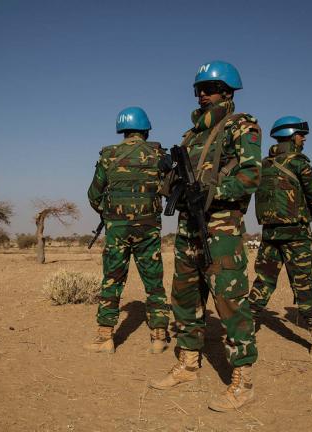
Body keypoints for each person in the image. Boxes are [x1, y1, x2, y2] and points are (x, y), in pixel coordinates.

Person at [149, 61, 261, 412]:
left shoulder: (242, 125)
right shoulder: (191, 135)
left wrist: (212, 193)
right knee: (184, 296)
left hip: (221, 226)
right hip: (187, 226)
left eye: (210, 89)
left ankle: (243, 380)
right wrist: (169, 177)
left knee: (229, 298)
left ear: (227, 92)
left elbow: (251, 175)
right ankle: (188, 364)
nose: (202, 95)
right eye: (199, 89)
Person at [85, 106, 170, 354]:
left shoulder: (108, 155)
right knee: (154, 281)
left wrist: (110, 214)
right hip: (149, 228)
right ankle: (159, 337)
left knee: (112, 279)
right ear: (146, 129)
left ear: (122, 130)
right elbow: (169, 189)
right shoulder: (158, 155)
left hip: (117, 230)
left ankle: (105, 337)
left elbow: (93, 195)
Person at [248, 116, 312, 357]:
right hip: (297, 234)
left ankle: (245, 331)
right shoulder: (299, 162)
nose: (303, 139)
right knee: (304, 285)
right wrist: (306, 214)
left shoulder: (263, 164)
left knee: (263, 282)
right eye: (300, 134)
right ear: (291, 136)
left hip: (270, 233)